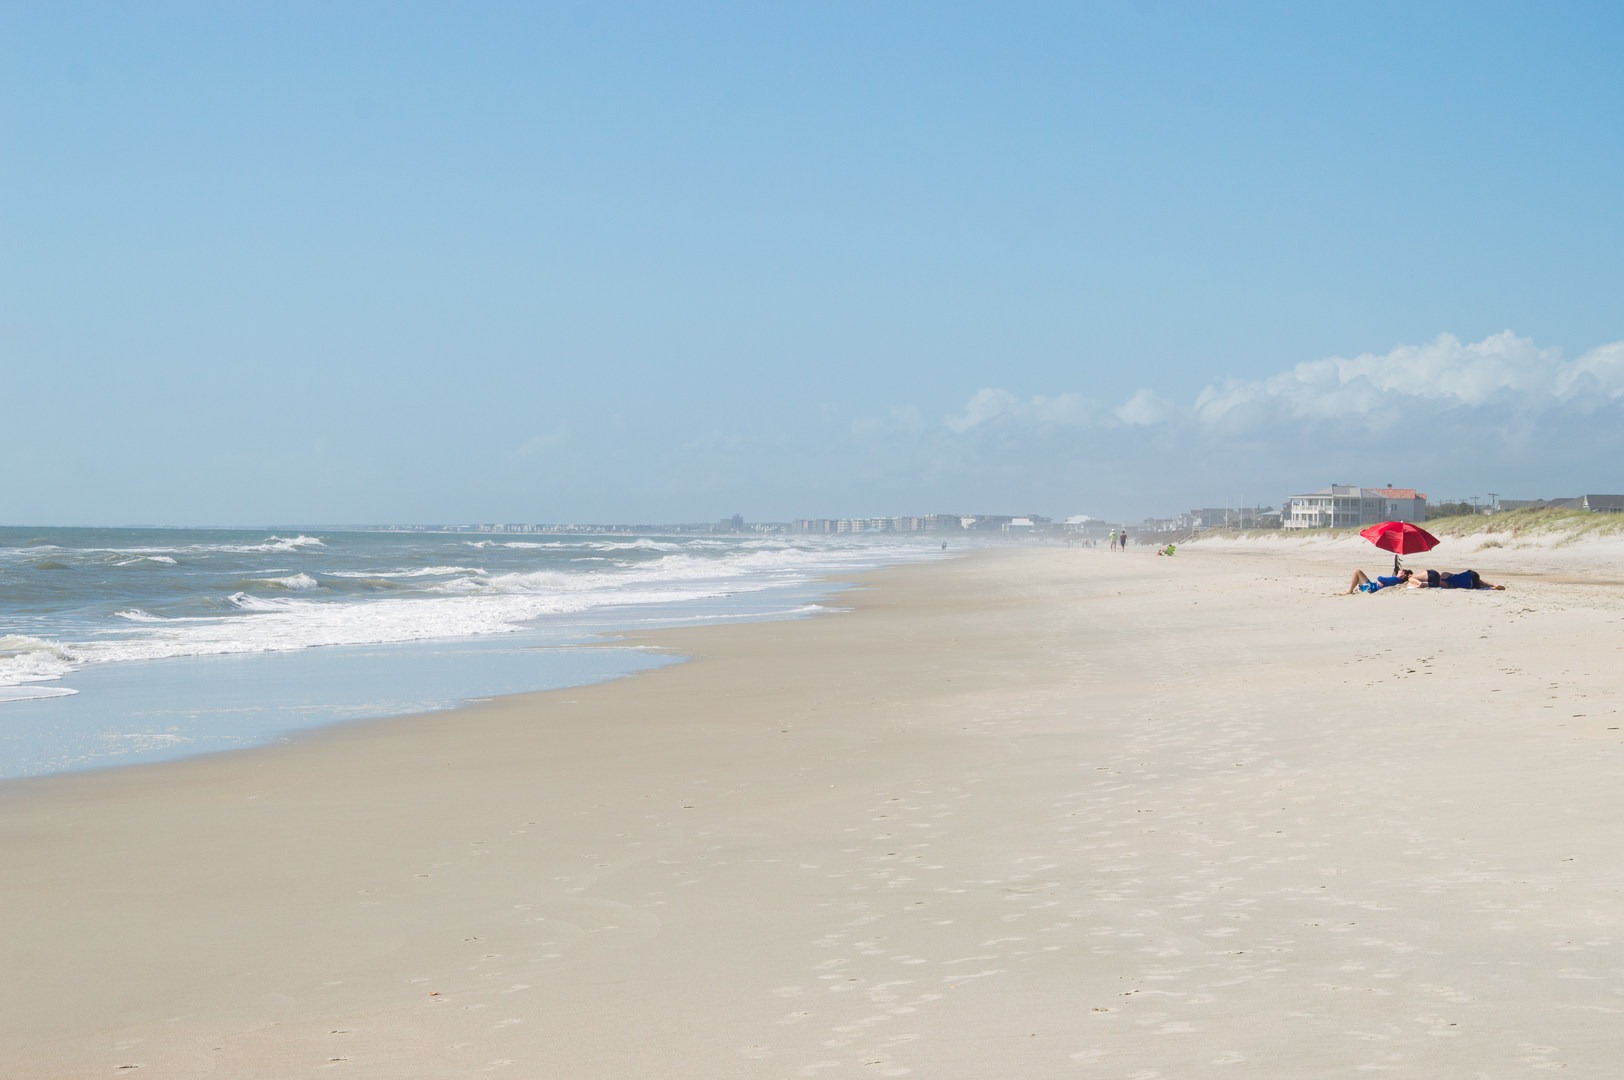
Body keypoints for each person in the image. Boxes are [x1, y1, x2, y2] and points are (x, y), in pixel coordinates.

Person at [1416, 569, 1506, 590]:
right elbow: (1453, 575)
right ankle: (1492, 585)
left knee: (1478, 583)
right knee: (1479, 580)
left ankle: (1491, 587)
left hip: (1470, 586)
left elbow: (1446, 586)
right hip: (1471, 575)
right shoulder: (1444, 574)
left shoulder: (1442, 583)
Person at [1347, 568, 1414, 593]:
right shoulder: (1397, 580)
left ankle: (1349, 591)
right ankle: (1353, 589)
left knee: (1357, 572)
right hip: (1372, 587)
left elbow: (1380, 578)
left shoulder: (1396, 579)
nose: (1400, 570)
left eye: (1401, 570)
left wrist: (1379, 580)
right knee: (1358, 575)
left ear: (1403, 574)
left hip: (1371, 588)